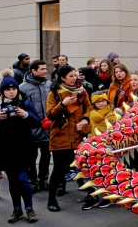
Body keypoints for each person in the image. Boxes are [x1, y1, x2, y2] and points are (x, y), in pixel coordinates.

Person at [45, 65, 91, 212]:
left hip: (78, 136)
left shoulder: (82, 91)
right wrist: (63, 105)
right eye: (71, 76)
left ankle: (91, 195)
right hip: (60, 137)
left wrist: (85, 119)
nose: (74, 78)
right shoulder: (55, 93)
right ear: (62, 78)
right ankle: (51, 200)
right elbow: (50, 114)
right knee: (58, 170)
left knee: (83, 167)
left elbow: (89, 108)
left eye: (75, 75)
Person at [0, 69, 41, 223]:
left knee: (23, 179)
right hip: (5, 149)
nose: (11, 92)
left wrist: (26, 115)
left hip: (24, 148)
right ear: (3, 91)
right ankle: (17, 210)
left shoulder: (25, 102)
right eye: (8, 90)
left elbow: (37, 122)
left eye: (14, 89)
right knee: (12, 182)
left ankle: (29, 209)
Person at [81, 90, 118, 210]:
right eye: (98, 102)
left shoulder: (112, 114)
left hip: (108, 147)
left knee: (108, 172)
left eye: (103, 101)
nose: (101, 104)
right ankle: (94, 197)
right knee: (93, 172)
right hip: (94, 146)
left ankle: (110, 197)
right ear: (94, 104)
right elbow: (90, 129)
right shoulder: (92, 114)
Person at [19, 60, 52, 193]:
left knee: (46, 155)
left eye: (45, 68)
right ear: (33, 70)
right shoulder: (22, 88)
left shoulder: (49, 85)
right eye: (42, 69)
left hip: (48, 127)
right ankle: (33, 181)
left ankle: (44, 179)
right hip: (30, 128)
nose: (45, 71)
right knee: (31, 157)